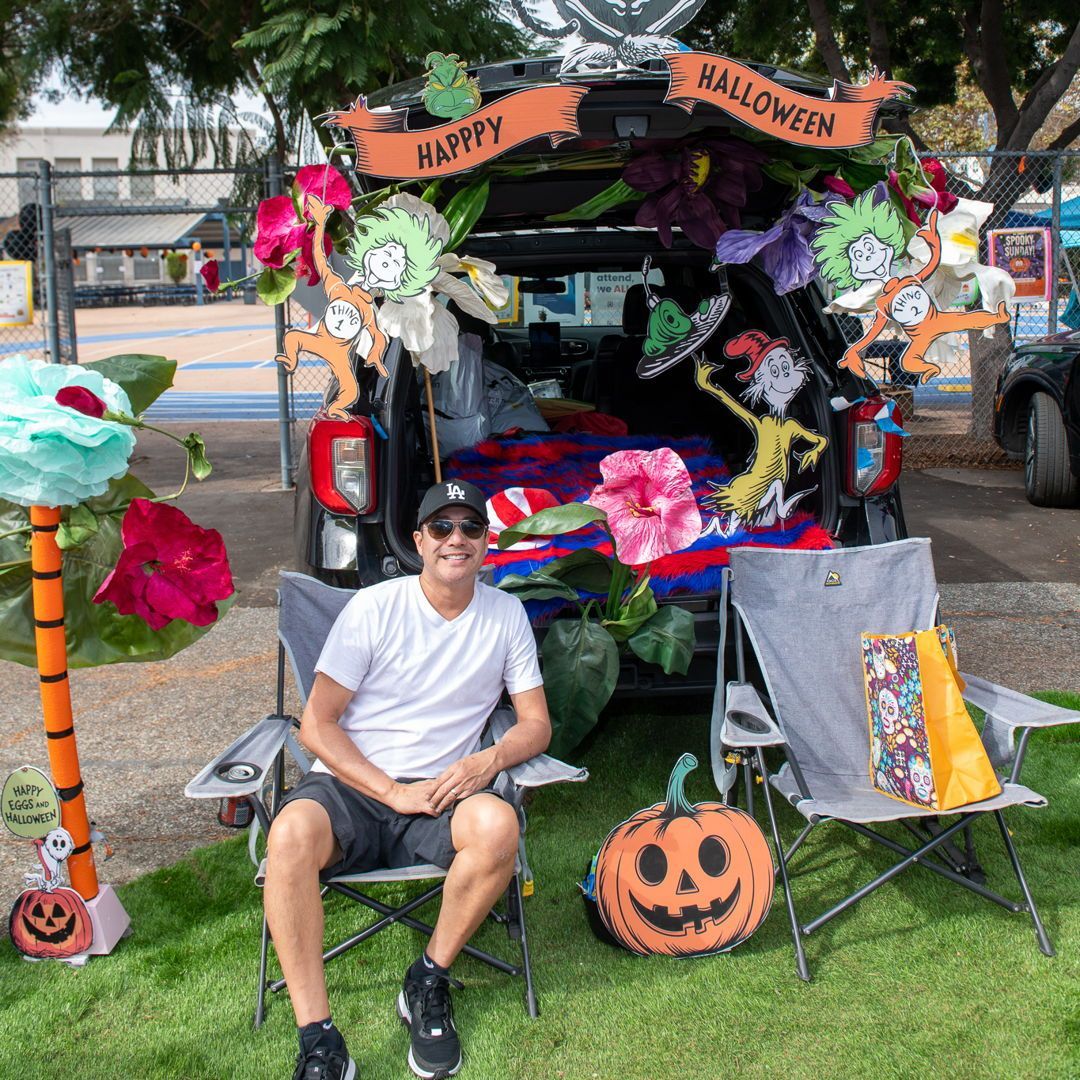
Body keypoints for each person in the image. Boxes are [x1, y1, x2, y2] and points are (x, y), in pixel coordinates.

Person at [265, 480, 550, 1080]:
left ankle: (428, 979)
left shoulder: (505, 616)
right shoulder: (374, 608)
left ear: (485, 542)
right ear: (418, 540)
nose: (457, 539)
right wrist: (390, 791)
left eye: (470, 527)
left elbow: (535, 726)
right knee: (288, 837)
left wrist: (485, 761)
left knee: (499, 826)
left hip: (445, 788)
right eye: (441, 528)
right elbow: (317, 726)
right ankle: (318, 1038)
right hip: (355, 786)